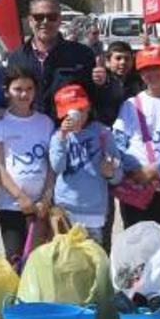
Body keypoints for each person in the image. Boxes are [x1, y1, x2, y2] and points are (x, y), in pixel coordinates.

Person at [113, 46, 160, 241]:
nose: (151, 73)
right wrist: (135, 169)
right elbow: (118, 142)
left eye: (157, 68)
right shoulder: (131, 104)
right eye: (146, 69)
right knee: (134, 241)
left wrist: (155, 168)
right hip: (135, 184)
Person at [0, 66, 56, 263]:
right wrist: (21, 197)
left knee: (41, 263)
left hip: (41, 206)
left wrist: (46, 197)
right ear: (7, 91)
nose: (24, 94)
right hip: (12, 205)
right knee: (15, 261)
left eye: (29, 88)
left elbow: (51, 165)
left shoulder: (45, 122)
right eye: (18, 89)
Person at [48, 84, 130, 243]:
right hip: (65, 209)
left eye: (80, 110)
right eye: (69, 113)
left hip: (94, 212)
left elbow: (117, 175)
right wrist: (62, 137)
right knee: (68, 261)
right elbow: (57, 167)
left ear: (88, 108)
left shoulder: (103, 133)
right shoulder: (58, 136)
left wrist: (110, 172)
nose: (76, 116)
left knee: (92, 259)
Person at [7, 0, 103, 117]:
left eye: (51, 17)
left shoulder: (82, 55)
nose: (45, 22)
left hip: (69, 131)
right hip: (30, 131)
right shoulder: (17, 58)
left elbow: (96, 99)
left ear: (59, 20)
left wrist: (104, 83)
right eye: (39, 17)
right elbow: (9, 99)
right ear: (30, 21)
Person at [93, 41, 142, 126]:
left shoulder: (138, 81)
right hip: (106, 130)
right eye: (118, 58)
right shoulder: (101, 80)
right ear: (108, 61)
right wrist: (99, 85)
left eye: (127, 58)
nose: (123, 62)